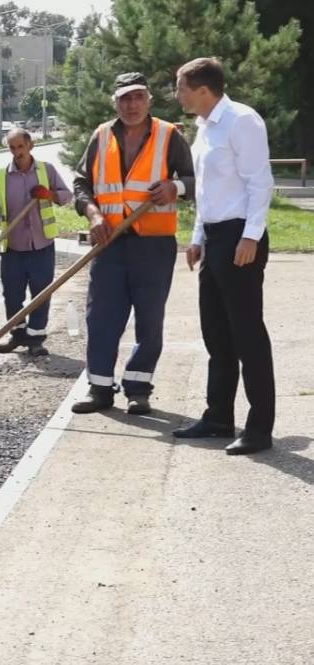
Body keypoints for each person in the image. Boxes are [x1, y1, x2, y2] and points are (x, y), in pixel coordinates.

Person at [71, 72, 195, 416]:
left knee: (149, 321)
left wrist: (177, 189)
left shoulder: (170, 136)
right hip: (109, 243)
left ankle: (138, 390)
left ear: (149, 100)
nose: (131, 105)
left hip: (153, 246)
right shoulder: (101, 136)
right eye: (125, 98)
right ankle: (99, 389)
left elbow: (196, 179)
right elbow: (82, 183)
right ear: (116, 102)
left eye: (138, 97)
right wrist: (93, 214)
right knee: (101, 320)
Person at [171, 57, 276, 455]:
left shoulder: (241, 121)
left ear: (202, 90)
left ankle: (259, 428)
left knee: (247, 334)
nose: (177, 94)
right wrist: (197, 237)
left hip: (239, 237)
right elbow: (209, 192)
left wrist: (250, 237)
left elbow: (259, 184)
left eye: (180, 87)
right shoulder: (204, 128)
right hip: (215, 236)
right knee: (216, 333)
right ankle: (218, 416)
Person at [0, 128, 74, 357]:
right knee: (12, 295)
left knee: (41, 293)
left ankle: (36, 339)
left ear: (30, 145)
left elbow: (66, 196)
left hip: (41, 246)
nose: (17, 153)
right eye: (12, 148)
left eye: (20, 147)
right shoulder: (1, 176)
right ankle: (18, 335)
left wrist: (49, 195)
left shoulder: (46, 170)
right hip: (13, 247)